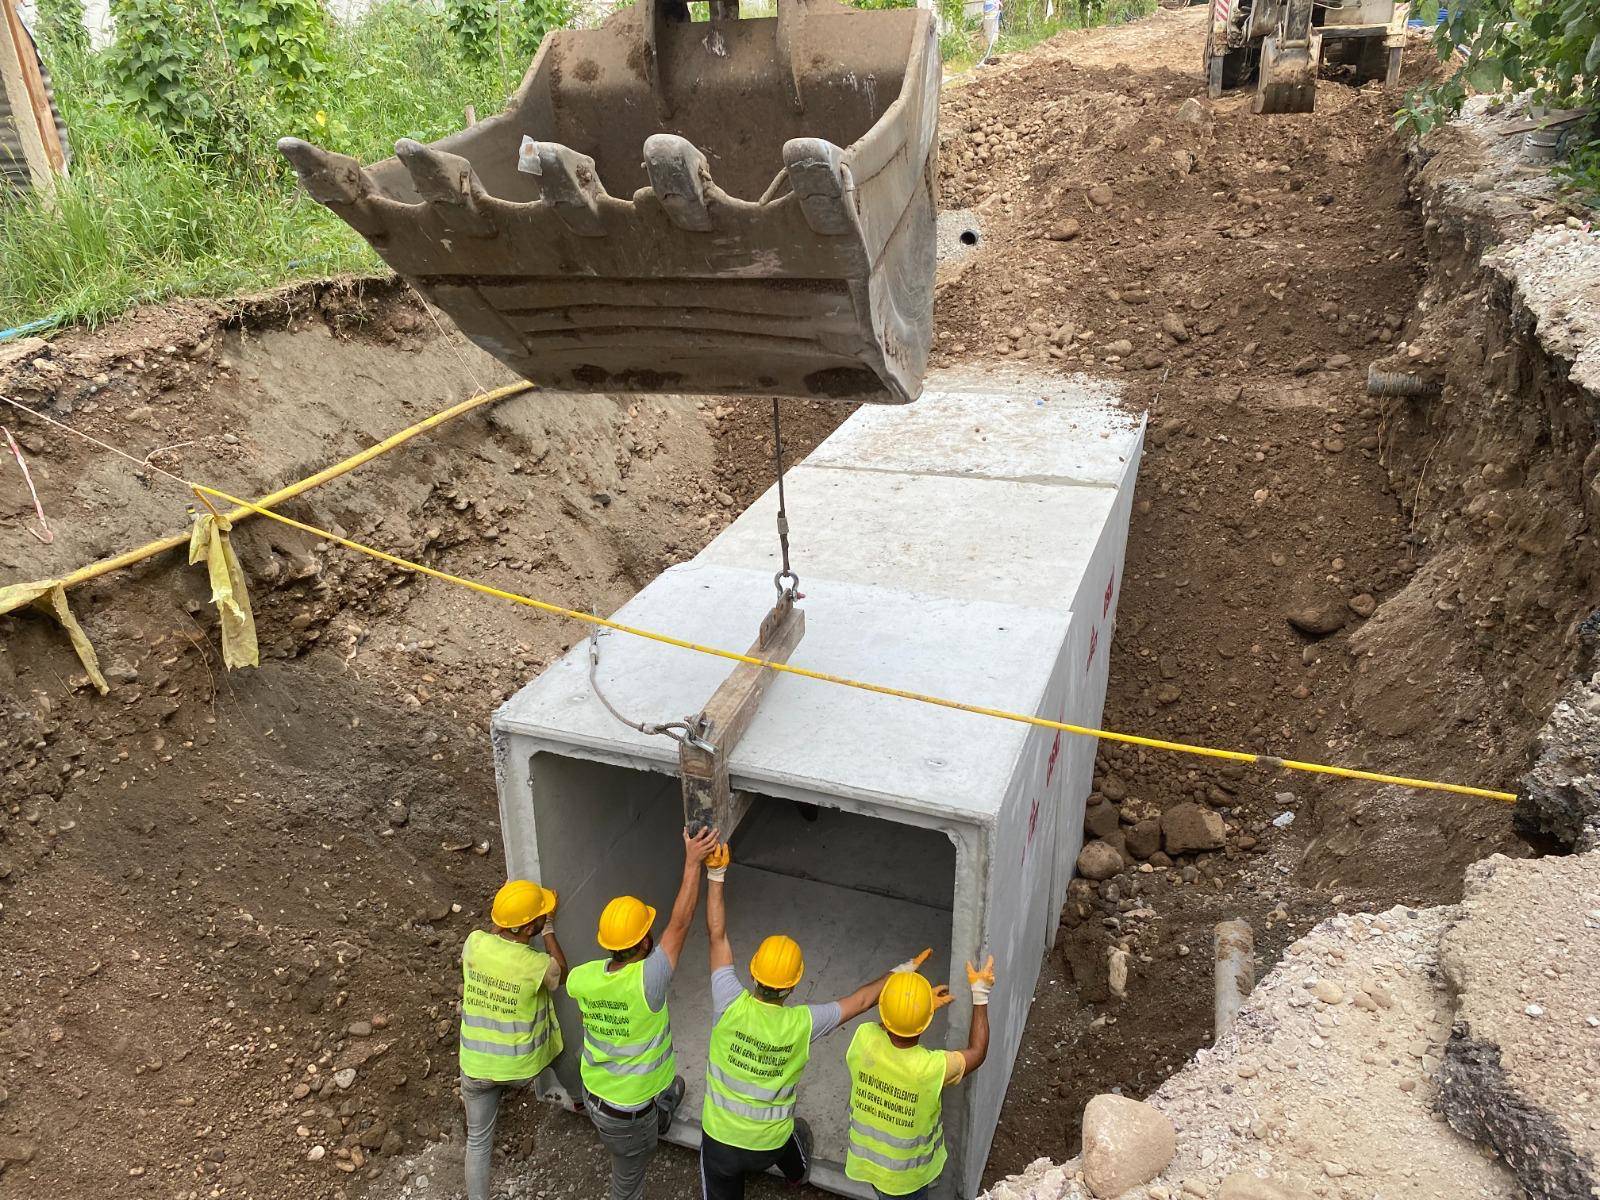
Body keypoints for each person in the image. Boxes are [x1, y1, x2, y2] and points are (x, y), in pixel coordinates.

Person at [698, 842, 920, 1199]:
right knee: (792, 1136)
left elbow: (716, 934)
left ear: (754, 973)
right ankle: (796, 1175)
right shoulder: (804, 1023)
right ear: (794, 984)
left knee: (719, 1174)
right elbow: (862, 1000)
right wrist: (902, 971)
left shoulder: (728, 1000)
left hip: (721, 1144)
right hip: (768, 1143)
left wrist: (716, 874)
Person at [568, 824, 721, 1200]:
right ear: (644, 941)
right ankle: (651, 1128)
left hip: (595, 1094)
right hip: (627, 1115)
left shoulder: (583, 978)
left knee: (661, 1097)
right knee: (629, 1180)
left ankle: (660, 1109)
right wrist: (694, 862)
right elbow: (681, 923)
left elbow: (569, 981)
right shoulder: (648, 982)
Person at [843, 953, 998, 1199]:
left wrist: (909, 1007)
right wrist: (980, 993)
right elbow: (977, 1052)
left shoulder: (864, 1038)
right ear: (926, 1023)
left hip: (867, 1164)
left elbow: (887, 1020)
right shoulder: (931, 1068)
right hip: (906, 1181)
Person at [458, 878, 566, 1200]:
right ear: (529, 928)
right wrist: (549, 927)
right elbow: (561, 970)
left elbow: (497, 936)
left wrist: (515, 911)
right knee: (565, 1058)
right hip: (520, 1069)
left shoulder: (473, 942)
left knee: (478, 1141)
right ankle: (578, 1097)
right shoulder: (536, 964)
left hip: (475, 1066)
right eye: (537, 918)